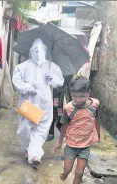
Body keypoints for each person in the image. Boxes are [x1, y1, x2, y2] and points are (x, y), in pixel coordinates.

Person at [12, 38, 64, 166]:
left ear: (45, 51)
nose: (38, 53)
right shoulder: (22, 67)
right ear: (30, 52)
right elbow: (16, 81)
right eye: (35, 50)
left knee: (41, 129)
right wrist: (28, 88)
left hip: (44, 103)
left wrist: (52, 78)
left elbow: (60, 81)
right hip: (28, 103)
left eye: (40, 50)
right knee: (25, 129)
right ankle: (28, 149)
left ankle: (35, 155)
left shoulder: (51, 66)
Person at [54, 75, 100, 183]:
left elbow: (97, 119)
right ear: (71, 93)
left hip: (86, 144)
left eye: (82, 96)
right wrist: (60, 142)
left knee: (79, 173)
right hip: (71, 144)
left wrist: (98, 134)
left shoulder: (95, 105)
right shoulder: (69, 108)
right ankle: (65, 173)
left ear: (88, 93)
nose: (78, 100)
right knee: (68, 169)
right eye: (74, 96)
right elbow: (64, 126)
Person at [47, 74, 74, 141]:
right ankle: (51, 133)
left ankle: (64, 133)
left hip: (62, 100)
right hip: (55, 98)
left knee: (59, 118)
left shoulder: (68, 75)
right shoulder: (54, 73)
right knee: (52, 116)